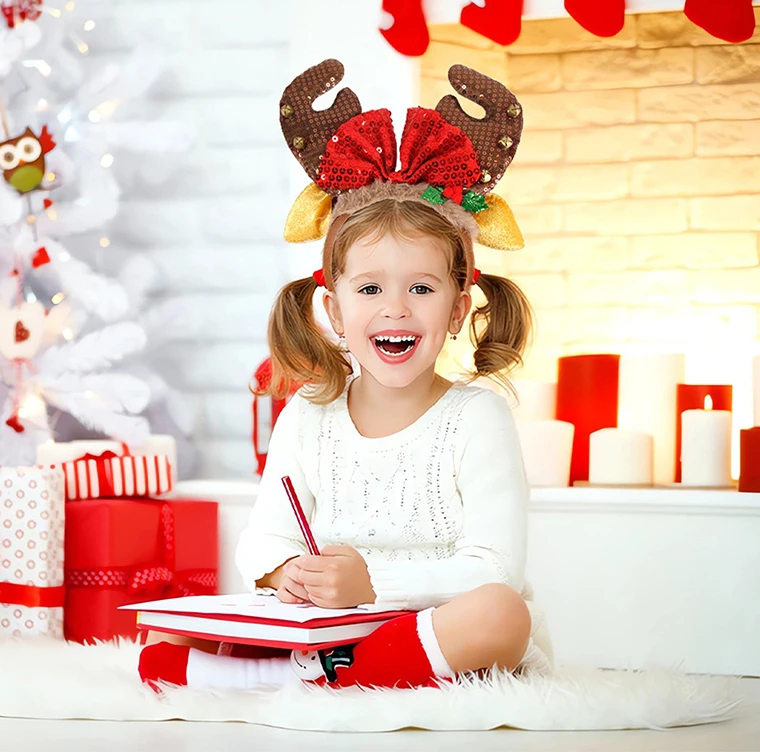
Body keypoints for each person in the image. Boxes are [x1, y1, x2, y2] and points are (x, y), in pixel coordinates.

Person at [139, 59, 553, 692]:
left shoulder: (476, 417)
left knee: (504, 613)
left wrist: (373, 586)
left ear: (457, 309)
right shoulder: (311, 413)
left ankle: (303, 680)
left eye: (421, 287)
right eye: (369, 288)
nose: (395, 308)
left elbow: (494, 566)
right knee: (166, 633)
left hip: (431, 627)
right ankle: (315, 666)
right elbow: (261, 542)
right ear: (333, 308)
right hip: (330, 623)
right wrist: (289, 575)